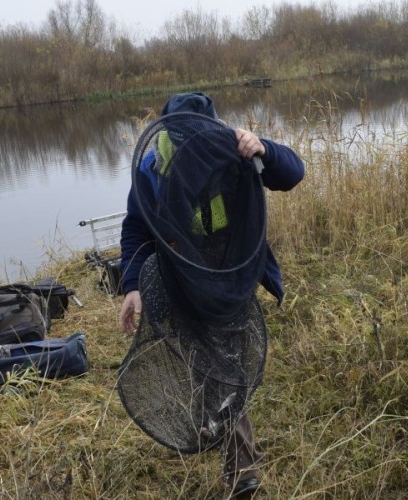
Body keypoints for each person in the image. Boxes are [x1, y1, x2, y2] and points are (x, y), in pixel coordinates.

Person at [118, 92, 304, 497]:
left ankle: (242, 472)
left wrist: (266, 149)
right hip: (180, 276)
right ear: (168, 136)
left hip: (230, 274)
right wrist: (131, 285)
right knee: (202, 357)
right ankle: (215, 422)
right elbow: (136, 228)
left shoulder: (234, 150)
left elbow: (293, 173)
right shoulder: (152, 169)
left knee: (225, 361)